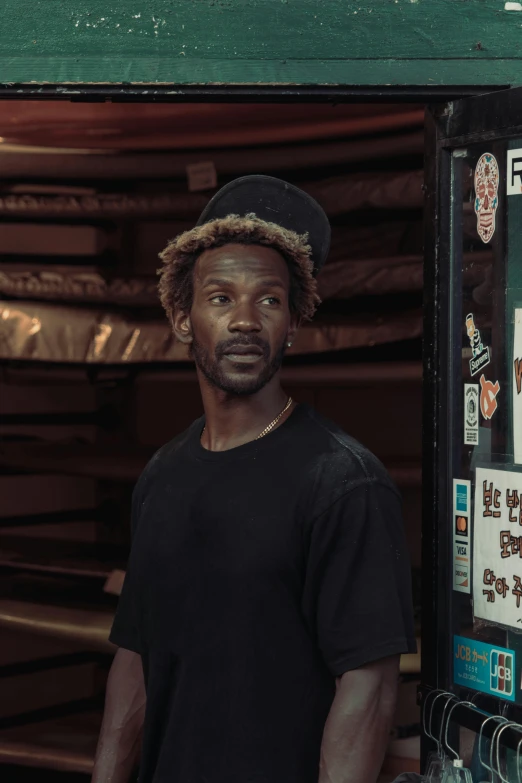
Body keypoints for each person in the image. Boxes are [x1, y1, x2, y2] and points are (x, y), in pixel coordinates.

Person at [92, 175, 416, 783]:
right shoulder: (162, 475)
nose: (244, 320)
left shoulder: (345, 483)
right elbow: (136, 660)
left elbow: (367, 691)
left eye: (268, 300)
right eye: (219, 299)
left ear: (293, 324)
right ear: (183, 318)